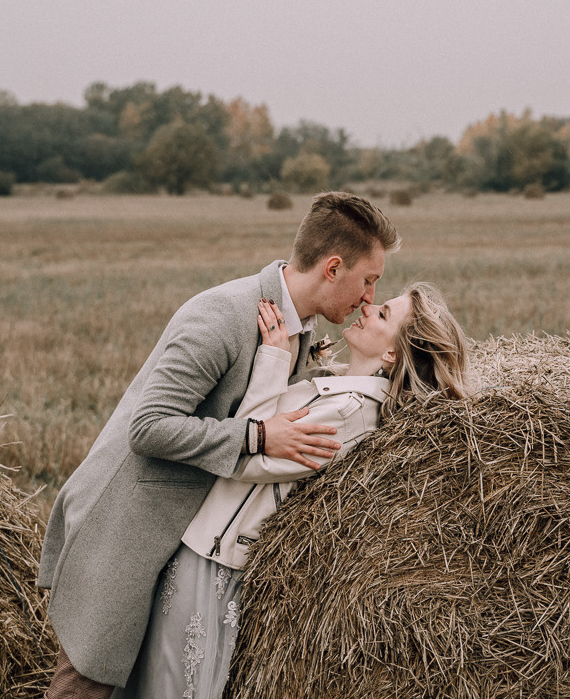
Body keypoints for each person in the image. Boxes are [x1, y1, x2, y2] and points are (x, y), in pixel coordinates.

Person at [38, 192, 400, 698]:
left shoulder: (294, 328)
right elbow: (149, 428)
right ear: (333, 268)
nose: (369, 297)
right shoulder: (224, 316)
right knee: (84, 688)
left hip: (174, 545)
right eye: (369, 280)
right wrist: (258, 436)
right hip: (124, 530)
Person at [115, 283, 470, 698]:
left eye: (384, 315)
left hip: (214, 552)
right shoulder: (342, 389)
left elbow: (247, 456)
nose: (369, 307)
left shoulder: (350, 413)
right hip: (203, 543)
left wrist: (273, 360)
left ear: (392, 353)